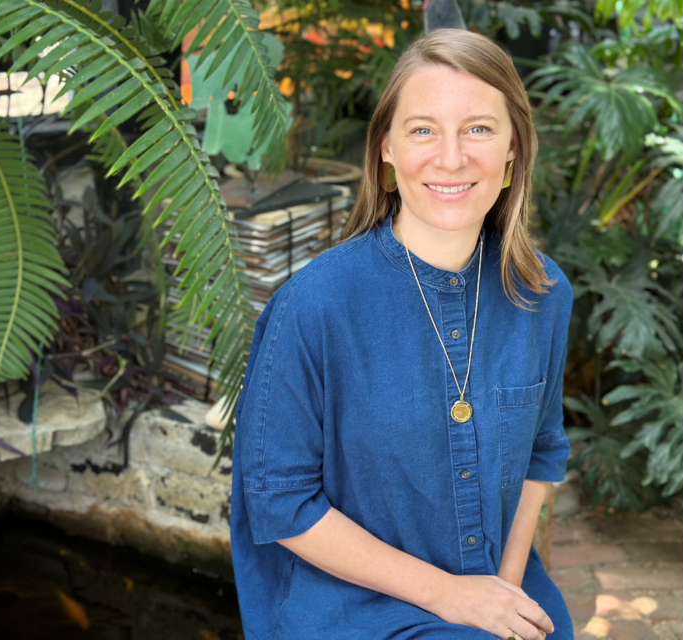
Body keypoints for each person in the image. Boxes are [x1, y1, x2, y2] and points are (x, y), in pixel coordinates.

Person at [230, 29, 575, 640]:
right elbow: (281, 504)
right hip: (352, 605)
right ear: (385, 147)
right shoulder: (312, 308)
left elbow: (542, 454)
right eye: (422, 130)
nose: (450, 157)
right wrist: (450, 596)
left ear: (513, 146)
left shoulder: (542, 293)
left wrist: (505, 593)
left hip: (496, 580)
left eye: (478, 129)